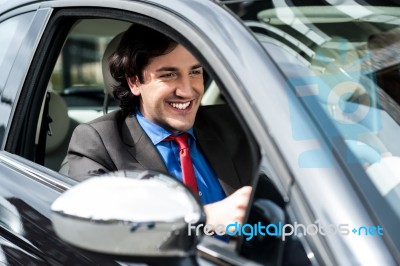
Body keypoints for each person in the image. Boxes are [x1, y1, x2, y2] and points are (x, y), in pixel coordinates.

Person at [67, 24, 258, 228]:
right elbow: (93, 224)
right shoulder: (98, 142)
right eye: (168, 75)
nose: (187, 91)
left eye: (195, 72)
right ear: (134, 82)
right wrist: (203, 217)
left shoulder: (234, 123)